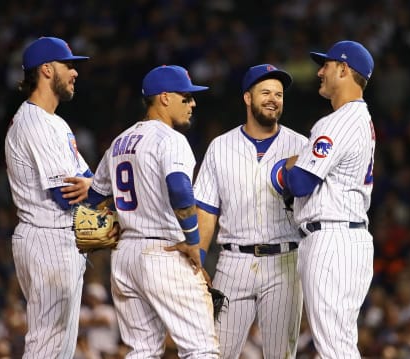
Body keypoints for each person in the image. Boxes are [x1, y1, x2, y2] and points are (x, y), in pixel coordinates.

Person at [85, 65, 220, 357]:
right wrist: (194, 241)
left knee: (142, 351)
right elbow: (180, 190)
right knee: (201, 349)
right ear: (164, 97)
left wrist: (97, 243)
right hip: (164, 251)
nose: (193, 103)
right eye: (186, 97)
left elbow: (94, 198)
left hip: (124, 257)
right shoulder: (170, 139)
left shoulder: (119, 142)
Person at [194, 64, 306, 358]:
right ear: (248, 98)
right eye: (265, 92)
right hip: (233, 262)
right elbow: (206, 210)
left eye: (279, 94)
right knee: (214, 351)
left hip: (285, 260)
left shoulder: (300, 145)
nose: (273, 99)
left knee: (281, 355)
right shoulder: (220, 146)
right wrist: (198, 261)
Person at [4, 36, 100, 358]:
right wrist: (100, 191)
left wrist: (96, 188)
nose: (75, 73)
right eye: (69, 65)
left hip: (60, 238)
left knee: (58, 348)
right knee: (46, 345)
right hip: (48, 239)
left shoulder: (54, 122)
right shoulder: (34, 122)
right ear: (46, 69)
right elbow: (67, 193)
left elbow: (89, 181)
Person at [282, 40, 376, 358]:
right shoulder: (360, 119)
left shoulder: (338, 121)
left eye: (327, 65)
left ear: (344, 69)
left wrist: (289, 164)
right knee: (339, 343)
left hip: (333, 239)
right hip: (348, 236)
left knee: (334, 347)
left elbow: (300, 182)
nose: (320, 72)